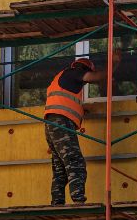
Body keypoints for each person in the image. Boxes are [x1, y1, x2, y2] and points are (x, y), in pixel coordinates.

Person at [45, 56, 105, 205]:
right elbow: (97, 77)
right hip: (60, 122)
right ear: (84, 69)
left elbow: (65, 102)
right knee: (75, 162)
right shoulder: (74, 72)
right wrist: (115, 63)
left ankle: (57, 202)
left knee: (60, 167)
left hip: (52, 124)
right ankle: (78, 200)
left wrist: (82, 109)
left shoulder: (63, 80)